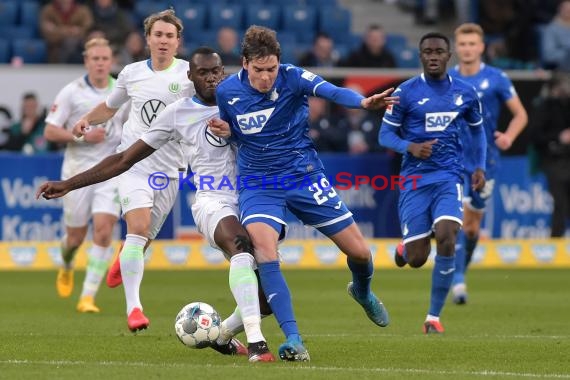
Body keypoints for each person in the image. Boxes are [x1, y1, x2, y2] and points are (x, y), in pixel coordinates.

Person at [37, 47, 275, 362]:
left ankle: (223, 334)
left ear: (224, 73)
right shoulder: (177, 113)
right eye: (202, 72)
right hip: (214, 199)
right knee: (239, 247)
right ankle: (257, 344)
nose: (210, 78)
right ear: (191, 77)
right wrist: (68, 184)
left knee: (269, 292)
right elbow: (124, 158)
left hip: (253, 199)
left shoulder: (243, 102)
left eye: (215, 72)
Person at [209, 25, 397, 361]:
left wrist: (362, 101)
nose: (266, 77)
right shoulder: (227, 92)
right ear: (244, 64)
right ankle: (294, 339)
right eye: (259, 70)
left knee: (360, 253)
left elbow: (332, 91)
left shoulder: (293, 77)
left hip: (303, 176)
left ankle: (362, 291)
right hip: (258, 183)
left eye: (271, 69)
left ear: (279, 63)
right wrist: (227, 131)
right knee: (265, 252)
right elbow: (233, 134)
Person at [61, 9, 194, 332]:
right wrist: (86, 120)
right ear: (147, 39)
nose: (163, 41)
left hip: (170, 168)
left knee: (142, 240)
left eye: (169, 36)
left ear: (178, 42)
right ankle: (135, 309)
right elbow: (110, 106)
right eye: (158, 35)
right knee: (138, 227)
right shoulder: (132, 73)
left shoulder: (190, 74)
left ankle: (123, 260)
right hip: (133, 163)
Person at [379, 32, 486, 334]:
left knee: (448, 236)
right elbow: (384, 135)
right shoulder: (405, 93)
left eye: (439, 51)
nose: (434, 56)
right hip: (414, 180)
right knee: (416, 259)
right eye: (428, 51)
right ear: (421, 55)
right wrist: (410, 147)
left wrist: (478, 165)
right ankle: (405, 250)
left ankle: (433, 317)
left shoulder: (466, 93)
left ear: (448, 55)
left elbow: (478, 132)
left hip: (448, 176)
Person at [42, 38, 127, 313]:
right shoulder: (72, 92)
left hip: (110, 172)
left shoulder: (121, 90)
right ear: (86, 61)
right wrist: (81, 138)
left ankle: (87, 296)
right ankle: (67, 263)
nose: (100, 63)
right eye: (95, 59)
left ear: (111, 61)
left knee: (104, 231)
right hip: (77, 173)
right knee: (76, 238)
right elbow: (50, 131)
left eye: (105, 58)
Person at [448, 23, 528, 304]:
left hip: (485, 160)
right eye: (463, 44)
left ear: (481, 47)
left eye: (473, 44)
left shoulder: (496, 78)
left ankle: (459, 271)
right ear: (456, 48)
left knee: (471, 227)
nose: (468, 49)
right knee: (454, 220)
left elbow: (520, 115)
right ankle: (456, 280)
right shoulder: (446, 80)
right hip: (453, 158)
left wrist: (508, 136)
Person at [529, 72, 570, 237]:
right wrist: (559, 137)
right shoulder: (545, 107)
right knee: (560, 202)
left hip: (567, 158)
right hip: (554, 159)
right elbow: (535, 135)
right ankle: (556, 241)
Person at [542, 0, 570, 71]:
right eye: (566, 10)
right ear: (560, 9)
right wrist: (567, 53)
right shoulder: (551, 29)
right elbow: (548, 56)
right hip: (561, 72)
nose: (568, 12)